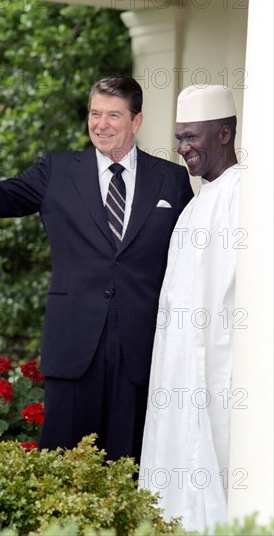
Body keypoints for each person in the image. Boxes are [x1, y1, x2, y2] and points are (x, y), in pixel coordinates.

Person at [0, 76, 193, 462]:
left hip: (141, 353)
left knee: (132, 467)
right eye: (94, 114)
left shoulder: (171, 180)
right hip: (73, 347)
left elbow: (189, 259)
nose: (101, 124)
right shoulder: (56, 170)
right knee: (62, 466)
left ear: (136, 121)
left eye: (113, 115)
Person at [139, 85, 240, 530]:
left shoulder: (245, 193)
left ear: (223, 134)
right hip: (178, 368)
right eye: (179, 138)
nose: (183, 149)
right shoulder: (196, 204)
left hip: (216, 365)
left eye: (192, 137)